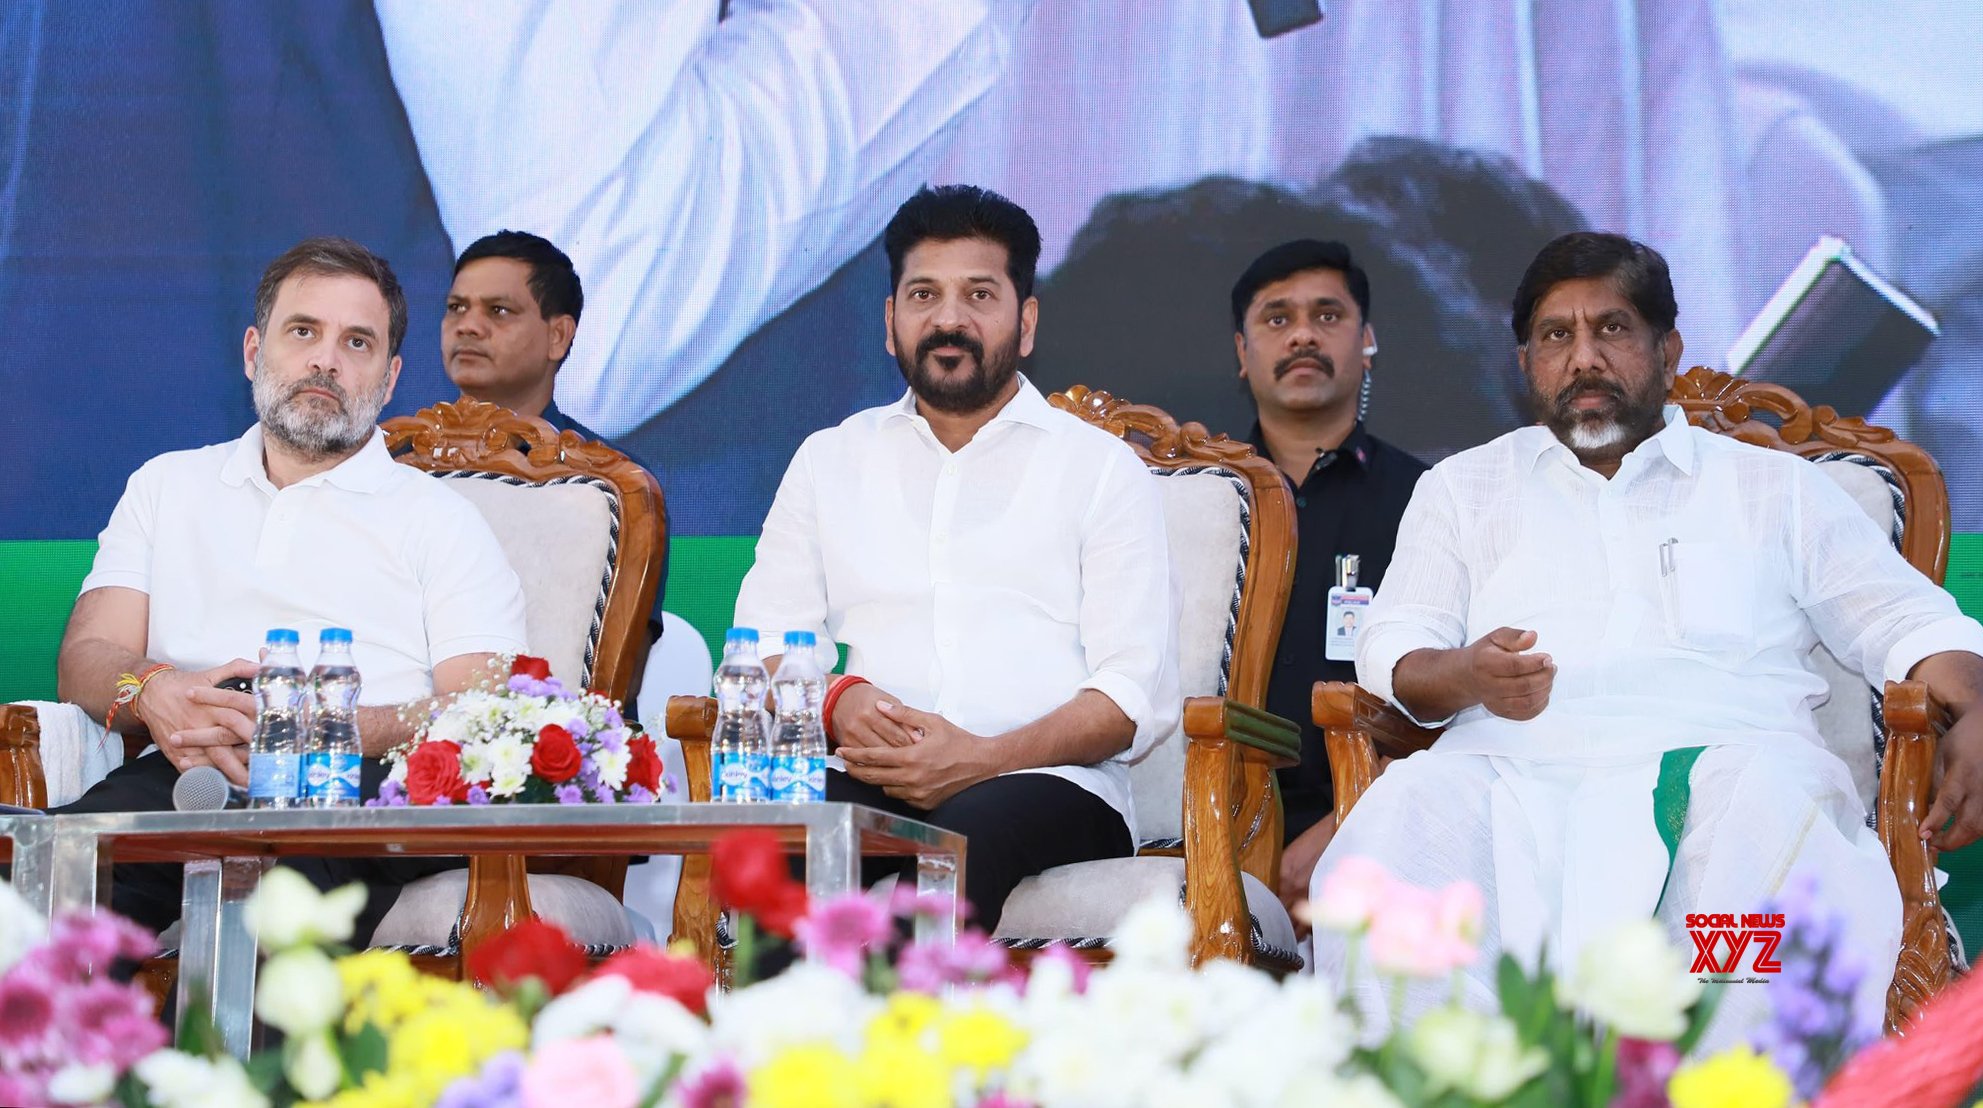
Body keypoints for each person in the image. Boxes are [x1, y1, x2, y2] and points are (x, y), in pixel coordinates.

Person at [1310, 231, 1983, 1042]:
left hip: (1726, 782)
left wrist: (1975, 707)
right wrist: (1463, 675)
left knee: (1768, 823)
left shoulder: (1773, 487)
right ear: (1526, 361)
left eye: (1613, 329)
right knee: (1403, 820)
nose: (1583, 357)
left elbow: (1905, 619)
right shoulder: (1463, 488)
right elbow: (1393, 650)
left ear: (1667, 349)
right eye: (1556, 335)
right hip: (1514, 781)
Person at [53, 237, 529, 941]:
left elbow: (488, 708)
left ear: (390, 377)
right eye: (303, 331)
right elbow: (86, 660)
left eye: (357, 342)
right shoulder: (167, 486)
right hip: (189, 773)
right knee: (52, 887)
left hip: (357, 789)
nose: (325, 360)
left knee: (276, 909)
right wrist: (151, 690)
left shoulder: (442, 520)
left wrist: (333, 731)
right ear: (254, 351)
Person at [734, 185, 1181, 931]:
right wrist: (839, 703)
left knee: (956, 845)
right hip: (865, 773)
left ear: (1025, 321)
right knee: (777, 836)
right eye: (923, 295)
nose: (948, 319)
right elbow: (767, 649)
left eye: (979, 294)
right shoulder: (827, 460)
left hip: (1048, 784)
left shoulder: (1101, 469)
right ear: (890, 322)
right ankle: (784, 1044)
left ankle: (897, 1046)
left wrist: (984, 755)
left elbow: (1132, 694)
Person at [1227, 240, 1428, 918]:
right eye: (1276, 319)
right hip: (1202, 807)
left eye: (1327, 316)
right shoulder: (1195, 493)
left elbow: (1448, 705)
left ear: (1366, 341)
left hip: (1376, 815)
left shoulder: (1429, 500)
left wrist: (1345, 823)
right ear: (1240, 352)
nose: (1304, 335)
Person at [442, 230, 669, 637]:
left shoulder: (609, 483)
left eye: (498, 311)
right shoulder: (394, 460)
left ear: (558, 336)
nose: (468, 326)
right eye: (456, 308)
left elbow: (615, 670)